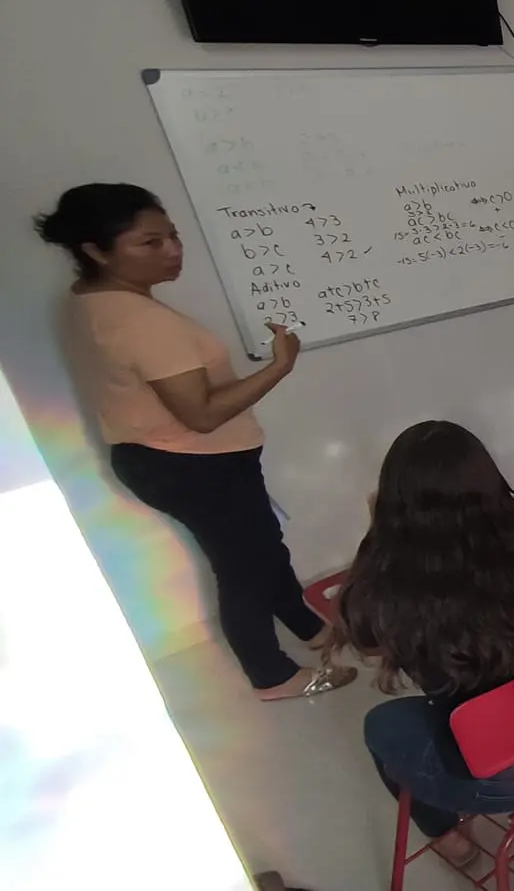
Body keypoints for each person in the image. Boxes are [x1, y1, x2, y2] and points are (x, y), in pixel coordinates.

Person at [39, 183, 355, 701]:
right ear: (96, 250)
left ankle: (310, 627)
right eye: (150, 243)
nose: (173, 251)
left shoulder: (88, 300)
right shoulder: (143, 322)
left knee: (260, 550)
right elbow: (202, 414)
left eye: (173, 237)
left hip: (166, 458)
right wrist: (281, 364)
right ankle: (272, 676)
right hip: (193, 464)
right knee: (243, 567)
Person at [337, 421, 514, 870]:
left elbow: (365, 641)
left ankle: (449, 837)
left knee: (379, 726)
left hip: (504, 778)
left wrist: (376, 536)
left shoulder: (396, 583)